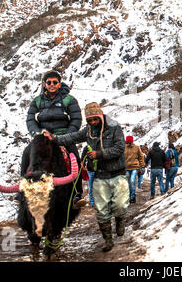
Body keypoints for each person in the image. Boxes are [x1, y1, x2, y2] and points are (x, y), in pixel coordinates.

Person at [43, 102, 128, 252]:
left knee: (120, 206)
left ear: (100, 116)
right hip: (99, 175)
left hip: (117, 173)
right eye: (90, 120)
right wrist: (54, 139)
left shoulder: (115, 128)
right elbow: (72, 137)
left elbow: (120, 148)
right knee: (101, 210)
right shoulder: (88, 131)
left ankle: (120, 219)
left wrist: (99, 154)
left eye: (95, 119)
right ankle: (108, 240)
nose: (93, 123)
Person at [21, 70, 85, 208]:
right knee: (27, 153)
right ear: (44, 84)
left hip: (64, 135)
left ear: (59, 84)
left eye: (54, 82)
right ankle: (22, 189)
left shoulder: (69, 100)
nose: (51, 85)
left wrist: (64, 138)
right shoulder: (37, 101)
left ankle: (77, 193)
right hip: (43, 136)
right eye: (48, 82)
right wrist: (38, 134)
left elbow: (76, 119)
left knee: (74, 157)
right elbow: (30, 119)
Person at [124, 136, 145, 204]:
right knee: (127, 183)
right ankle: (129, 196)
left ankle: (133, 197)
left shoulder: (137, 148)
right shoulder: (124, 148)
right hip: (126, 168)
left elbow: (141, 157)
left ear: (132, 142)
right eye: (127, 143)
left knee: (132, 181)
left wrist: (142, 165)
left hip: (135, 167)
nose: (128, 144)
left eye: (129, 143)